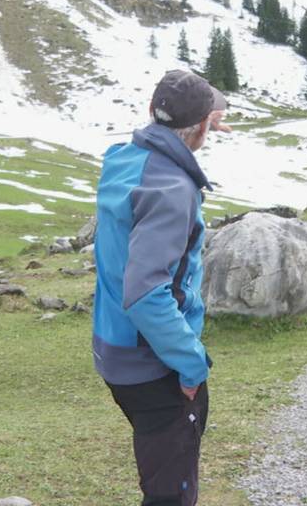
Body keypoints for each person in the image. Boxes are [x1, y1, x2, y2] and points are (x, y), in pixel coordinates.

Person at [92, 69, 230, 506]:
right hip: (155, 365)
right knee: (171, 494)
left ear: (153, 111)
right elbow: (146, 293)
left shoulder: (123, 158)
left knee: (158, 473)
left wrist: (208, 112)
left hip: (114, 350)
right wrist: (192, 365)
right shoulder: (172, 189)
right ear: (203, 127)